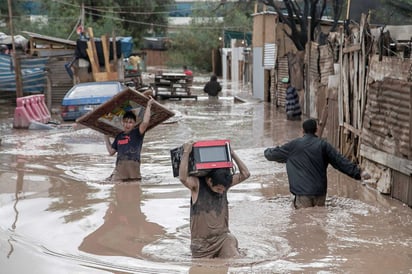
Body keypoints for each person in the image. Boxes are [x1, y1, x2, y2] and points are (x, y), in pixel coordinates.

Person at [264, 118, 371, 209]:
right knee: (319, 221)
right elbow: (340, 161)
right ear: (316, 130)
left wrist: (267, 151)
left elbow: (273, 154)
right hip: (320, 194)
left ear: (302, 130)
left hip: (303, 194)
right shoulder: (323, 145)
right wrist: (359, 173)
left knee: (304, 223)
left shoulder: (293, 146)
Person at [179, 142, 250, 258]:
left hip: (223, 239)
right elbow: (182, 178)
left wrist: (232, 153)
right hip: (201, 245)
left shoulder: (224, 185)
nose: (221, 192)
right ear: (209, 180)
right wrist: (186, 152)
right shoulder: (197, 185)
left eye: (223, 189)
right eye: (218, 189)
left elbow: (246, 174)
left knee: (235, 260)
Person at [104, 97, 155, 182]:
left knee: (134, 188)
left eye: (130, 122)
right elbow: (111, 152)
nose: (127, 124)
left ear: (134, 124)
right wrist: (106, 137)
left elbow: (145, 122)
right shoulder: (119, 136)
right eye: (126, 122)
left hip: (133, 167)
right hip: (120, 168)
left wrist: (149, 106)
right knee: (117, 188)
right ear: (122, 122)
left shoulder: (137, 133)